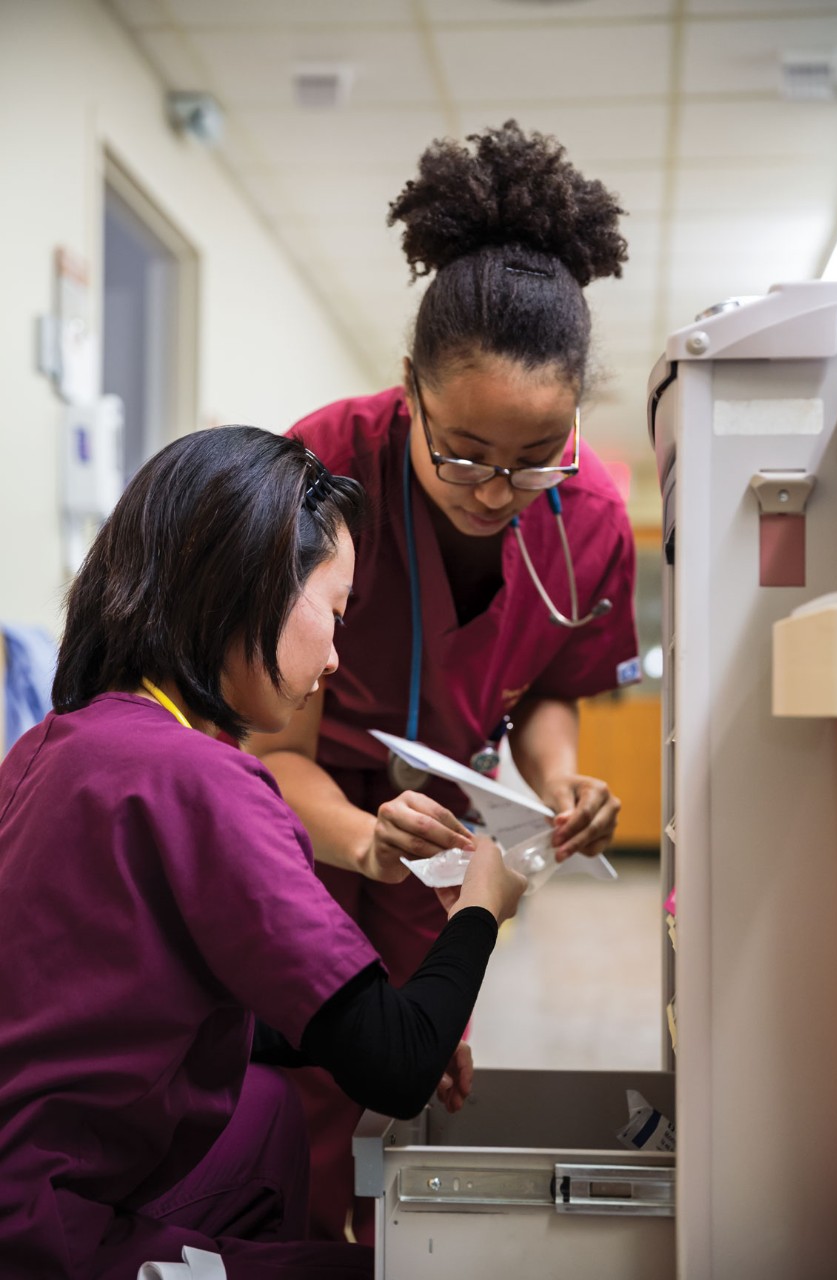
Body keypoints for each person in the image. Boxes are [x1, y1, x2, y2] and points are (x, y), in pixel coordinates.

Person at [0, 426, 526, 1280]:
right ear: (250, 587)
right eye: (334, 611)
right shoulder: (208, 781)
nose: (334, 655)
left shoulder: (59, 742)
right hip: (49, 1238)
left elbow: (149, 1005)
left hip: (26, 1171)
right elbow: (396, 1065)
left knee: (272, 1109)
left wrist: (372, 1022)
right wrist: (482, 901)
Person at [246, 120, 641, 1244]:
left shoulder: (596, 515)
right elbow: (275, 746)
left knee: (409, 1068)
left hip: (442, 812)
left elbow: (552, 686)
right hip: (301, 790)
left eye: (536, 454)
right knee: (301, 1065)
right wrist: (361, 836)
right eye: (461, 449)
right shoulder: (323, 469)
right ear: (408, 388)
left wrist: (561, 779)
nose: (496, 488)